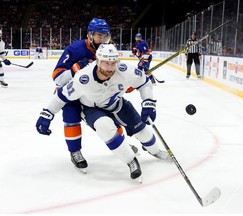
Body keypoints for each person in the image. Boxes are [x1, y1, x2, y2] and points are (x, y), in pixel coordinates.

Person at [36, 44, 172, 181]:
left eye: (113, 63)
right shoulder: (83, 79)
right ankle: (131, 161)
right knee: (104, 126)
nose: (110, 68)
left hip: (117, 105)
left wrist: (148, 102)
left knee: (144, 134)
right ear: (98, 61)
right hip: (92, 109)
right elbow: (62, 96)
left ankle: (155, 151)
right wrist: (47, 114)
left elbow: (144, 83)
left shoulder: (125, 70)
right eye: (106, 63)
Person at [51, 18, 137, 173]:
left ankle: (122, 145)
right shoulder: (75, 49)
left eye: (105, 36)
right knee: (71, 117)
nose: (103, 39)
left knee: (109, 117)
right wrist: (74, 69)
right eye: (99, 35)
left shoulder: (108, 49)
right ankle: (75, 151)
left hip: (95, 92)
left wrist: (127, 84)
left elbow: (115, 72)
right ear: (90, 34)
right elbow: (57, 78)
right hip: (73, 92)